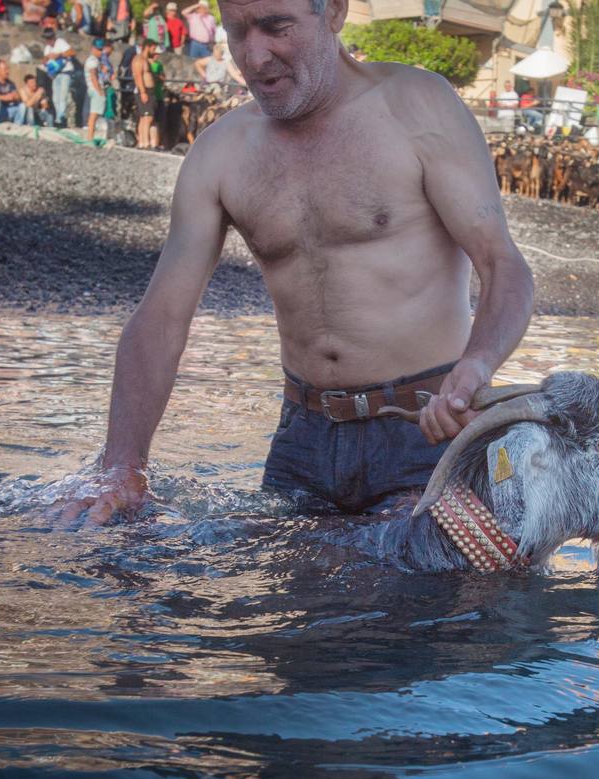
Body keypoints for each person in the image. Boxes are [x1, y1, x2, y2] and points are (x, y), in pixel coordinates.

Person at [56, 0, 534, 528]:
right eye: (237, 33)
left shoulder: (417, 106)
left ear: (334, 12)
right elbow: (160, 319)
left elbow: (502, 263)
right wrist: (123, 466)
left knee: (424, 603)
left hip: (428, 428)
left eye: (276, 27)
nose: (254, 56)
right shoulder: (221, 152)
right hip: (302, 443)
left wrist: (478, 363)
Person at [43, 25, 79, 128]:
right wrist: (46, 59)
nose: (49, 41)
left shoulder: (61, 43)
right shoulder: (47, 48)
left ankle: (60, 118)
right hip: (55, 74)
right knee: (55, 98)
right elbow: (44, 59)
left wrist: (59, 55)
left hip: (65, 72)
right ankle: (59, 116)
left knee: (63, 96)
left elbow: (72, 52)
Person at [133, 39, 163, 149]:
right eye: (153, 48)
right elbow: (138, 76)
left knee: (145, 117)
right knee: (147, 117)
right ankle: (144, 142)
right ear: (147, 47)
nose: (154, 51)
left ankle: (143, 141)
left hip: (150, 91)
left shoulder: (147, 60)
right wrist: (143, 92)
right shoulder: (138, 59)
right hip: (144, 91)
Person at [85, 38, 110, 143]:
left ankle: (92, 135)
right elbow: (93, 77)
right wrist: (99, 91)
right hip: (95, 89)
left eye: (101, 50)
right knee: (94, 114)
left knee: (96, 114)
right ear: (93, 48)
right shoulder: (92, 61)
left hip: (94, 88)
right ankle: (90, 137)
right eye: (99, 50)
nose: (100, 52)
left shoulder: (95, 60)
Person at [0, 59, 26, 124]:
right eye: (5, 69)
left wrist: (15, 97)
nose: (7, 71)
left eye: (8, 69)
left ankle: (16, 128)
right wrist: (6, 97)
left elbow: (17, 97)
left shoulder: (11, 83)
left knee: (22, 106)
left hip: (5, 110)